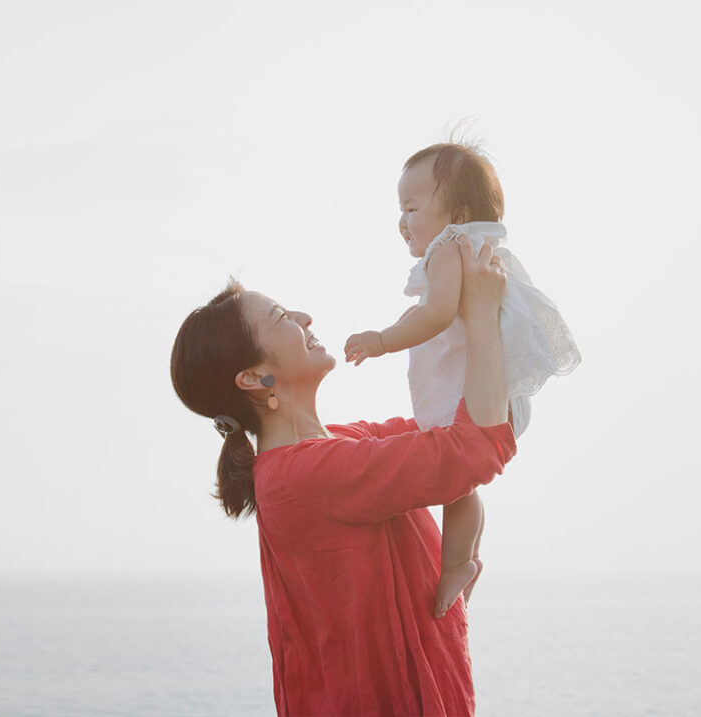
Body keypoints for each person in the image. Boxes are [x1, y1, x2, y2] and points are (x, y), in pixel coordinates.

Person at [169, 239, 516, 716]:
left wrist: (457, 302)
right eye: (282, 318)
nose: (305, 318)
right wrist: (479, 314)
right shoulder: (304, 476)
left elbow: (456, 421)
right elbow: (475, 447)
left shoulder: (342, 444)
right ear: (254, 377)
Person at [342, 141, 581, 617]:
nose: (402, 220)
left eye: (411, 207)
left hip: (473, 397)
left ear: (459, 213)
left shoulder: (449, 247)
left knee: (459, 482)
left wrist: (383, 339)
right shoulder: (477, 248)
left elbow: (435, 313)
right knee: (460, 484)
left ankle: (459, 561)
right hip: (497, 396)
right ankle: (462, 561)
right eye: (400, 209)